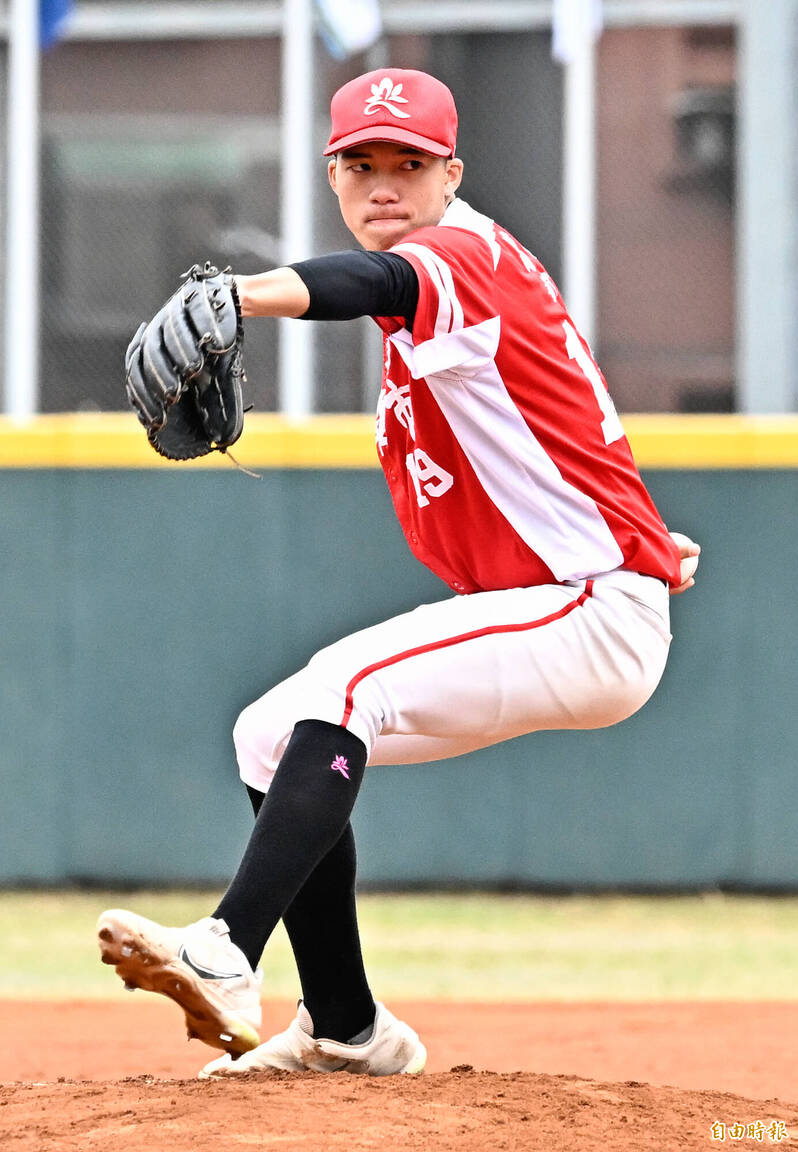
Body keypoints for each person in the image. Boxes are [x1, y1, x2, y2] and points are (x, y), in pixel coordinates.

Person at [98, 68, 700, 1080]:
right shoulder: (459, 284)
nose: (385, 184)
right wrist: (646, 535)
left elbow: (373, 282)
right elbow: (558, 428)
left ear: (449, 172)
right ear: (334, 175)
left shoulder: (454, 253)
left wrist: (241, 294)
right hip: (561, 601)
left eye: (408, 164)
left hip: (587, 612)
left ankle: (226, 954)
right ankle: (346, 1027)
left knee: (342, 689)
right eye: (362, 165)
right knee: (269, 732)